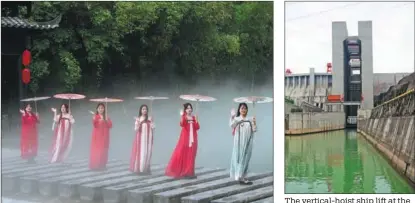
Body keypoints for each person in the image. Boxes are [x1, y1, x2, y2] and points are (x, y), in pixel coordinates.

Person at [165, 103, 200, 179]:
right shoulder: (184, 117)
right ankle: (184, 171)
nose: (189, 109)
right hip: (185, 138)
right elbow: (182, 124)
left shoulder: (194, 117)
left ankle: (190, 172)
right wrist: (182, 116)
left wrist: (197, 120)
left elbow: (197, 128)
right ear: (185, 110)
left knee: (191, 154)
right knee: (184, 153)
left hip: (193, 138)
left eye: (190, 108)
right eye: (187, 108)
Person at [229, 102, 257, 185]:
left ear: (247, 110)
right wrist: (232, 117)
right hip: (239, 143)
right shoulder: (237, 119)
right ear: (239, 110)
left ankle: (243, 176)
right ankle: (239, 176)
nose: (243, 110)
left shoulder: (250, 119)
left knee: (246, 158)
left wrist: (254, 122)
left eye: (245, 108)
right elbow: (231, 125)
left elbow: (254, 130)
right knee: (239, 158)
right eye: (242, 108)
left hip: (248, 142)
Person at [130, 104, 155, 175]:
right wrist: (138, 123)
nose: (145, 110)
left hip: (149, 138)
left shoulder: (150, 119)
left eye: (146, 109)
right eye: (143, 109)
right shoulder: (138, 119)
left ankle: (146, 168)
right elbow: (136, 129)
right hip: (141, 138)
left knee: (148, 153)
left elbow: (153, 128)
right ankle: (140, 169)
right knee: (142, 153)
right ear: (140, 110)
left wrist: (152, 122)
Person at [89, 103, 113, 170]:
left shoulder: (107, 117)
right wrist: (96, 119)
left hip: (105, 136)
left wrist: (105, 120)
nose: (101, 109)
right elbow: (94, 125)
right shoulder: (95, 116)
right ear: (97, 109)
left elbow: (110, 125)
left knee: (104, 150)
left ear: (104, 109)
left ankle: (102, 165)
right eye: (99, 108)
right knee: (97, 150)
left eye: (102, 108)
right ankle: (95, 165)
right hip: (97, 136)